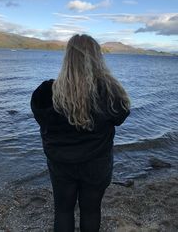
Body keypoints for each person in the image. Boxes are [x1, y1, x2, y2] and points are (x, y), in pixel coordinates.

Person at [31, 34, 130, 232]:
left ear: (67, 58)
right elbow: (121, 115)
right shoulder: (110, 92)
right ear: (97, 58)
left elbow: (40, 117)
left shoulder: (46, 92)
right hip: (97, 164)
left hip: (61, 164)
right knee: (92, 210)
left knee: (63, 210)